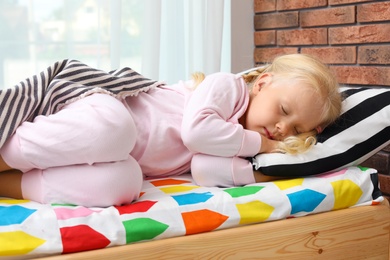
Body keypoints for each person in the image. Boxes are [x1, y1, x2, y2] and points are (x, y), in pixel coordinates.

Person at [0, 54, 342, 207]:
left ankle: (9, 183)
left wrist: (269, 171)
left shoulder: (237, 144)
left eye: (295, 129)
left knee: (126, 184)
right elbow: (196, 133)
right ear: (262, 84)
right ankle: (5, 155)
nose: (282, 128)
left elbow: (204, 170)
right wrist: (261, 145)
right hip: (105, 112)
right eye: (283, 110)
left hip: (115, 157)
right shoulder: (228, 88)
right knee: (117, 130)